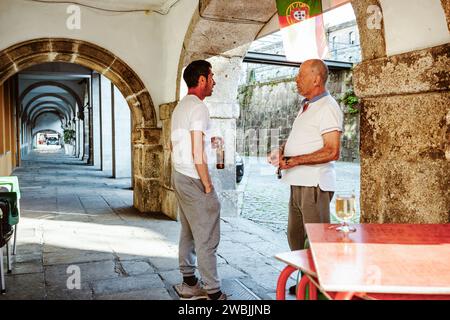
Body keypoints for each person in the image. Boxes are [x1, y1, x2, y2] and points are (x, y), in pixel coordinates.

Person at [268, 59, 343, 294]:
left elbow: (332, 150)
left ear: (316, 79)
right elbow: (304, 140)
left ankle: (320, 291)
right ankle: (305, 284)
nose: (296, 80)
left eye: (300, 75)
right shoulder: (307, 105)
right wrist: (283, 151)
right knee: (297, 238)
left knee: (316, 243)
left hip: (314, 184)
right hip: (297, 182)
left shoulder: (328, 107)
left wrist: (293, 160)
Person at [170, 60, 226, 300]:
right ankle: (213, 292)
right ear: (201, 80)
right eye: (212, 76)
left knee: (189, 230)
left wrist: (212, 142)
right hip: (194, 177)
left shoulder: (182, 106)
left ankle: (189, 282)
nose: (214, 81)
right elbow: (196, 151)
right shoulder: (199, 107)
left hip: (180, 174)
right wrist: (207, 184)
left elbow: (180, 143)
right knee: (207, 236)